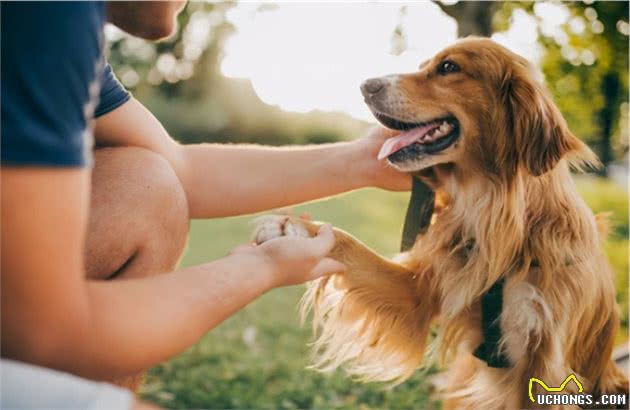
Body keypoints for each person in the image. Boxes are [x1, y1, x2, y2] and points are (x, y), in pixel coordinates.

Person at [1, 2, 409, 409]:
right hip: (34, 331)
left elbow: (181, 171)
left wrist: (365, 161)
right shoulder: (46, 13)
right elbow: (46, 330)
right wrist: (260, 267)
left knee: (146, 185)